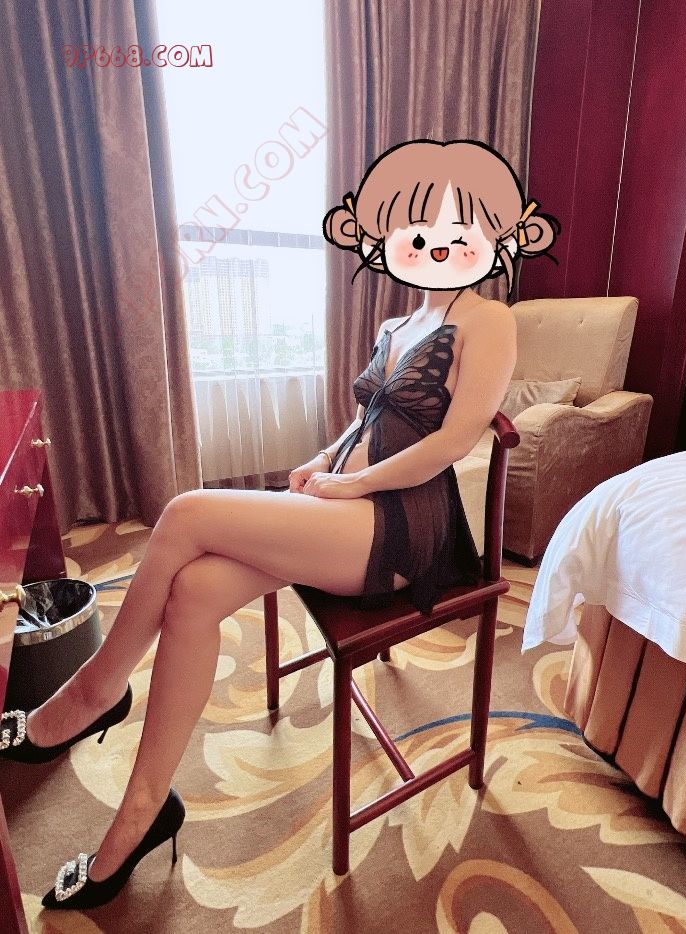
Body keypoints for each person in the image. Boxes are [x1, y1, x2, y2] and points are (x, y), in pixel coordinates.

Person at [0, 138, 558, 910]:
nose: (436, 244)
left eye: (458, 229)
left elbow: (454, 441)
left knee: (185, 513)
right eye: (416, 228)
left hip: (403, 530)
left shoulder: (489, 320)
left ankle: (96, 690)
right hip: (348, 509)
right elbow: (365, 419)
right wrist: (319, 461)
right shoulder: (397, 323)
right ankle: (144, 811)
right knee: (193, 591)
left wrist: (348, 483)